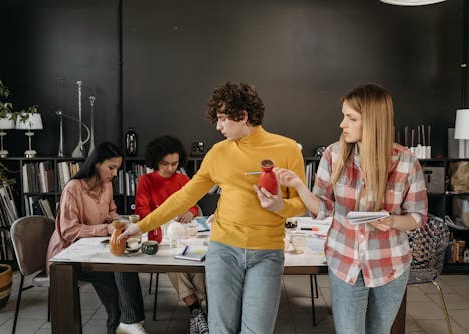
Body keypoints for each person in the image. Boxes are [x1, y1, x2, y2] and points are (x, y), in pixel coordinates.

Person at [119, 82, 306, 334]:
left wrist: (280, 205)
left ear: (242, 116)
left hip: (267, 253)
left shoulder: (287, 149)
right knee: (221, 330)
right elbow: (184, 197)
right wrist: (141, 227)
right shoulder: (218, 152)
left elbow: (300, 204)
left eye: (222, 119)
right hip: (223, 251)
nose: (218, 126)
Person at [257, 83, 428, 334]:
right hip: (344, 262)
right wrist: (298, 186)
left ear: (373, 121)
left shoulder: (407, 163)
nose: (342, 124)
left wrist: (391, 221)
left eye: (351, 118)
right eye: (344, 116)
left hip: (390, 264)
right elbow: (323, 208)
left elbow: (417, 216)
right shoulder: (333, 155)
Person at [46, 142, 147, 334]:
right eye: (111, 167)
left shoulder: (106, 185)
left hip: (93, 250)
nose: (115, 173)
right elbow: (68, 231)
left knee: (126, 263)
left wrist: (121, 224)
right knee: (117, 271)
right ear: (96, 164)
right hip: (67, 256)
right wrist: (105, 229)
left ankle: (131, 322)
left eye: (117, 168)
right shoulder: (73, 188)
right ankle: (126, 323)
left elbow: (111, 212)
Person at [135, 135, 208, 334]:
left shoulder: (183, 179)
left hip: (184, 232)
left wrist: (190, 212)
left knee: (196, 262)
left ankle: (199, 312)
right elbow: (142, 210)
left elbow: (193, 206)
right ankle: (197, 311)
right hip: (158, 232)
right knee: (174, 263)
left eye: (175, 164)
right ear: (155, 162)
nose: (170, 168)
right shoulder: (146, 180)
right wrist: (158, 221)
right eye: (165, 164)